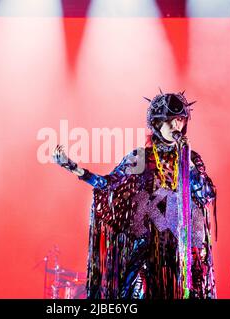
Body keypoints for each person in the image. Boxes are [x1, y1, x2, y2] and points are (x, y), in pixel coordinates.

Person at [53, 90, 217, 299]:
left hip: (182, 253)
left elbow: (206, 194)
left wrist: (190, 166)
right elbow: (108, 184)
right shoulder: (141, 158)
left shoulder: (190, 158)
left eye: (180, 120)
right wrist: (76, 169)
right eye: (171, 121)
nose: (177, 126)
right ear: (157, 124)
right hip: (148, 249)